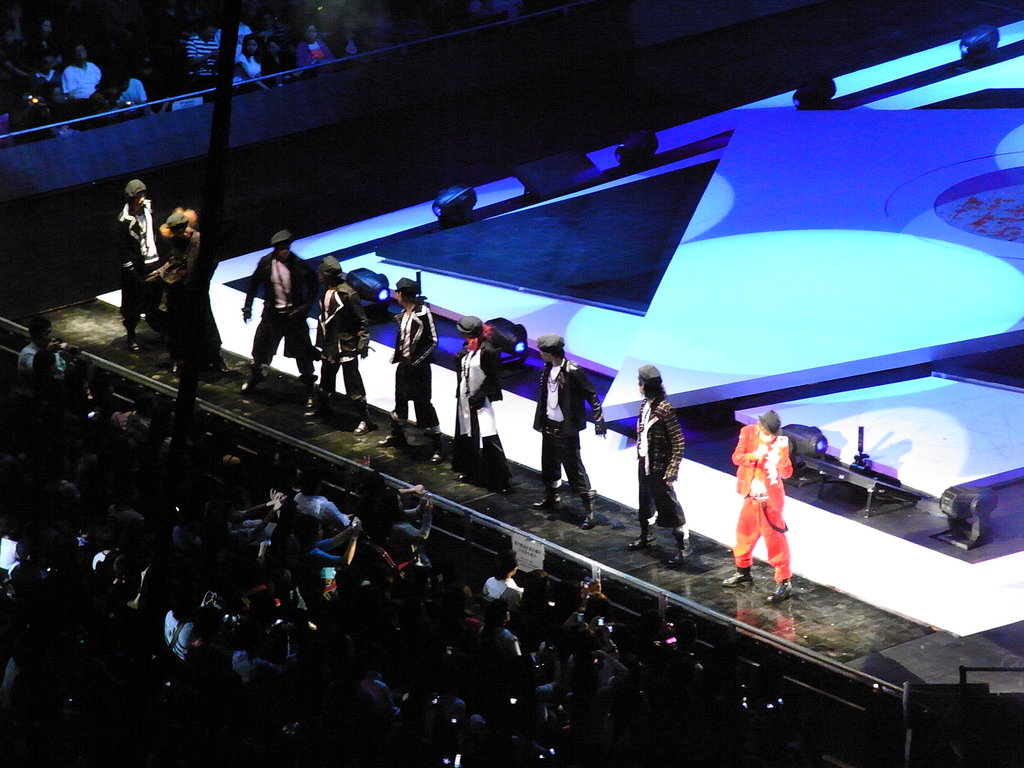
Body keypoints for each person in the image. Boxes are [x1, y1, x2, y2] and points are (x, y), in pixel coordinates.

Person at [531, 333, 606, 529]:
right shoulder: (548, 369)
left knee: (575, 469)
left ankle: (589, 511)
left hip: (566, 429)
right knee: (549, 465)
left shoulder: (572, 370)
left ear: (551, 352)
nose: (540, 354)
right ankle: (552, 497)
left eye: (542, 351)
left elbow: (591, 394)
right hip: (549, 425)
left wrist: (599, 420)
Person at [240, 230, 319, 411]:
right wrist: (247, 307)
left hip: (294, 317)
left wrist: (306, 306)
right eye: (280, 249)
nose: (283, 252)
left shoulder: (299, 265)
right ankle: (256, 376)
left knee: (303, 354)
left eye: (285, 248)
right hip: (272, 315)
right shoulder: (266, 263)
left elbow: (314, 285)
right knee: (260, 349)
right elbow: (253, 284)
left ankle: (309, 389)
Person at [722, 410, 794, 603]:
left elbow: (786, 473)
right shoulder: (747, 432)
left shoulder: (780, 443)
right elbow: (737, 458)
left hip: (769, 501)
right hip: (751, 497)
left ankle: (784, 583)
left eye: (772, 434)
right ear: (760, 426)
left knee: (775, 543)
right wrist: (754, 456)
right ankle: (743, 573)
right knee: (743, 536)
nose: (770, 436)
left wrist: (782, 456)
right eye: (767, 432)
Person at [626, 365, 692, 566]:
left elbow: (678, 441)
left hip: (660, 467)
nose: (638, 386)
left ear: (645, 385)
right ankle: (646, 536)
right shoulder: (645, 404)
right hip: (645, 462)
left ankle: (684, 547)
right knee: (644, 501)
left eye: (640, 382)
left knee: (670, 506)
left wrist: (671, 471)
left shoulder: (664, 409)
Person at [152, 209, 226, 373]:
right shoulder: (176, 242)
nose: (181, 233)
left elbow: (212, 262)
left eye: (182, 228)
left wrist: (200, 280)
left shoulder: (200, 241)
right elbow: (173, 262)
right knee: (176, 326)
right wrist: (162, 273)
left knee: (206, 324)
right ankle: (177, 358)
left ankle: (215, 358)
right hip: (178, 290)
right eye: (176, 230)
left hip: (197, 290)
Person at [379, 277, 443, 463]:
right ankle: (397, 436)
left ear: (401, 294)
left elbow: (433, 341)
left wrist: (416, 361)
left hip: (419, 368)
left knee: (423, 404)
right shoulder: (404, 313)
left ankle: (437, 447)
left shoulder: (423, 313)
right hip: (404, 365)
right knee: (400, 401)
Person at [451, 315, 511, 493]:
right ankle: (469, 469)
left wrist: (479, 397)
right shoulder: (467, 347)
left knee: (488, 436)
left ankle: (500, 479)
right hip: (465, 396)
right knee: (465, 433)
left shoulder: (488, 350)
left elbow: (494, 377)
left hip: (481, 399)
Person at [315, 256, 375, 435]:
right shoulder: (326, 291)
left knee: (353, 383)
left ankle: (365, 419)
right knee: (326, 380)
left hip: (345, 345)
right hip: (329, 344)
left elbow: (362, 320)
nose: (318, 275)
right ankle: (323, 409)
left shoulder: (348, 294)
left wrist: (363, 343)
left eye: (321, 272)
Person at [116, 178, 164, 350]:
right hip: (136, 268)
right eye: (138, 196)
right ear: (131, 198)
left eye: (143, 195)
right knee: (133, 303)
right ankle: (131, 335)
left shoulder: (149, 210)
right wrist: (131, 270)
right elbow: (122, 248)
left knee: (156, 299)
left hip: (153, 261)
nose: (142, 199)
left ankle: (161, 330)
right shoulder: (124, 220)